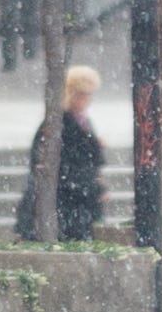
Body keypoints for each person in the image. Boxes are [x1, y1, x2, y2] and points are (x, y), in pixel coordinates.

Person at [12, 66, 103, 242]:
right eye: (83, 94)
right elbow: (60, 166)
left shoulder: (81, 122)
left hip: (75, 204)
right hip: (64, 204)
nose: (87, 99)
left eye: (90, 94)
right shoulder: (58, 124)